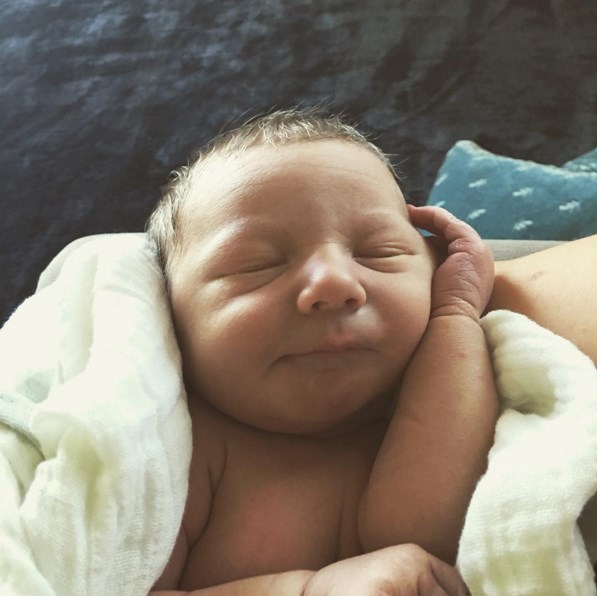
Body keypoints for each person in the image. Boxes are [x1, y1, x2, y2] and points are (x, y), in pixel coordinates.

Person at [146, 108, 497, 595]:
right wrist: (305, 591)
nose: (335, 282)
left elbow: (428, 534)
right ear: (165, 310)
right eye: (257, 264)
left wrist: (455, 314)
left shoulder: (438, 397)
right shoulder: (180, 448)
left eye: (378, 252)